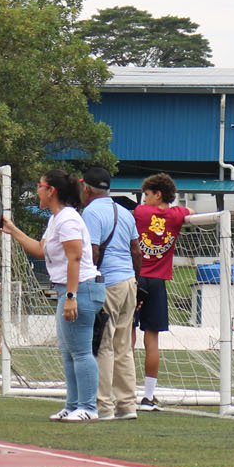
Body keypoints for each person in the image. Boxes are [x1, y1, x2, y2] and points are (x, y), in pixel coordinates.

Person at [1, 170, 105, 422]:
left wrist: (71, 296)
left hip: (80, 287)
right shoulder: (56, 219)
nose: (37, 190)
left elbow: (75, 257)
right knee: (68, 352)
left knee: (80, 352)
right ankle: (73, 405)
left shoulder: (68, 219)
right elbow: (40, 249)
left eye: (40, 186)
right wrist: (13, 230)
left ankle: (88, 408)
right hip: (69, 288)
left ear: (52, 191)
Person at [80, 166, 141, 420]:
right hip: (129, 282)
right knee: (124, 346)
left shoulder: (91, 212)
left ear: (87, 188)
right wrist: (136, 280)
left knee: (103, 345)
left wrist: (89, 277)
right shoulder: (124, 212)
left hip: (107, 283)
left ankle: (102, 405)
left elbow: (93, 251)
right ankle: (127, 405)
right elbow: (136, 250)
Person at [133, 172, 192, 411]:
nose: (144, 199)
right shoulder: (177, 215)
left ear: (157, 194)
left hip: (136, 277)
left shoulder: (141, 212)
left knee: (126, 334)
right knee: (152, 339)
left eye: (146, 194)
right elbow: (189, 213)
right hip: (158, 281)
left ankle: (124, 391)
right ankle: (148, 396)